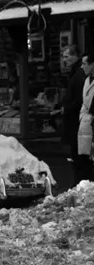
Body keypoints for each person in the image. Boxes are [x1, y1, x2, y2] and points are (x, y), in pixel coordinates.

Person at [60, 45, 85, 184]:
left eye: (67, 56)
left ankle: (80, 182)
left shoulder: (79, 73)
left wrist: (67, 108)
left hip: (76, 121)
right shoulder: (74, 72)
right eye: (63, 56)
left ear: (75, 56)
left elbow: (79, 99)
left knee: (78, 155)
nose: (64, 60)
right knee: (76, 155)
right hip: (75, 120)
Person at [76, 51, 94, 182]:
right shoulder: (87, 80)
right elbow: (84, 102)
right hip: (86, 122)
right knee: (86, 158)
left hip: (91, 121)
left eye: (84, 63)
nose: (82, 67)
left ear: (92, 65)